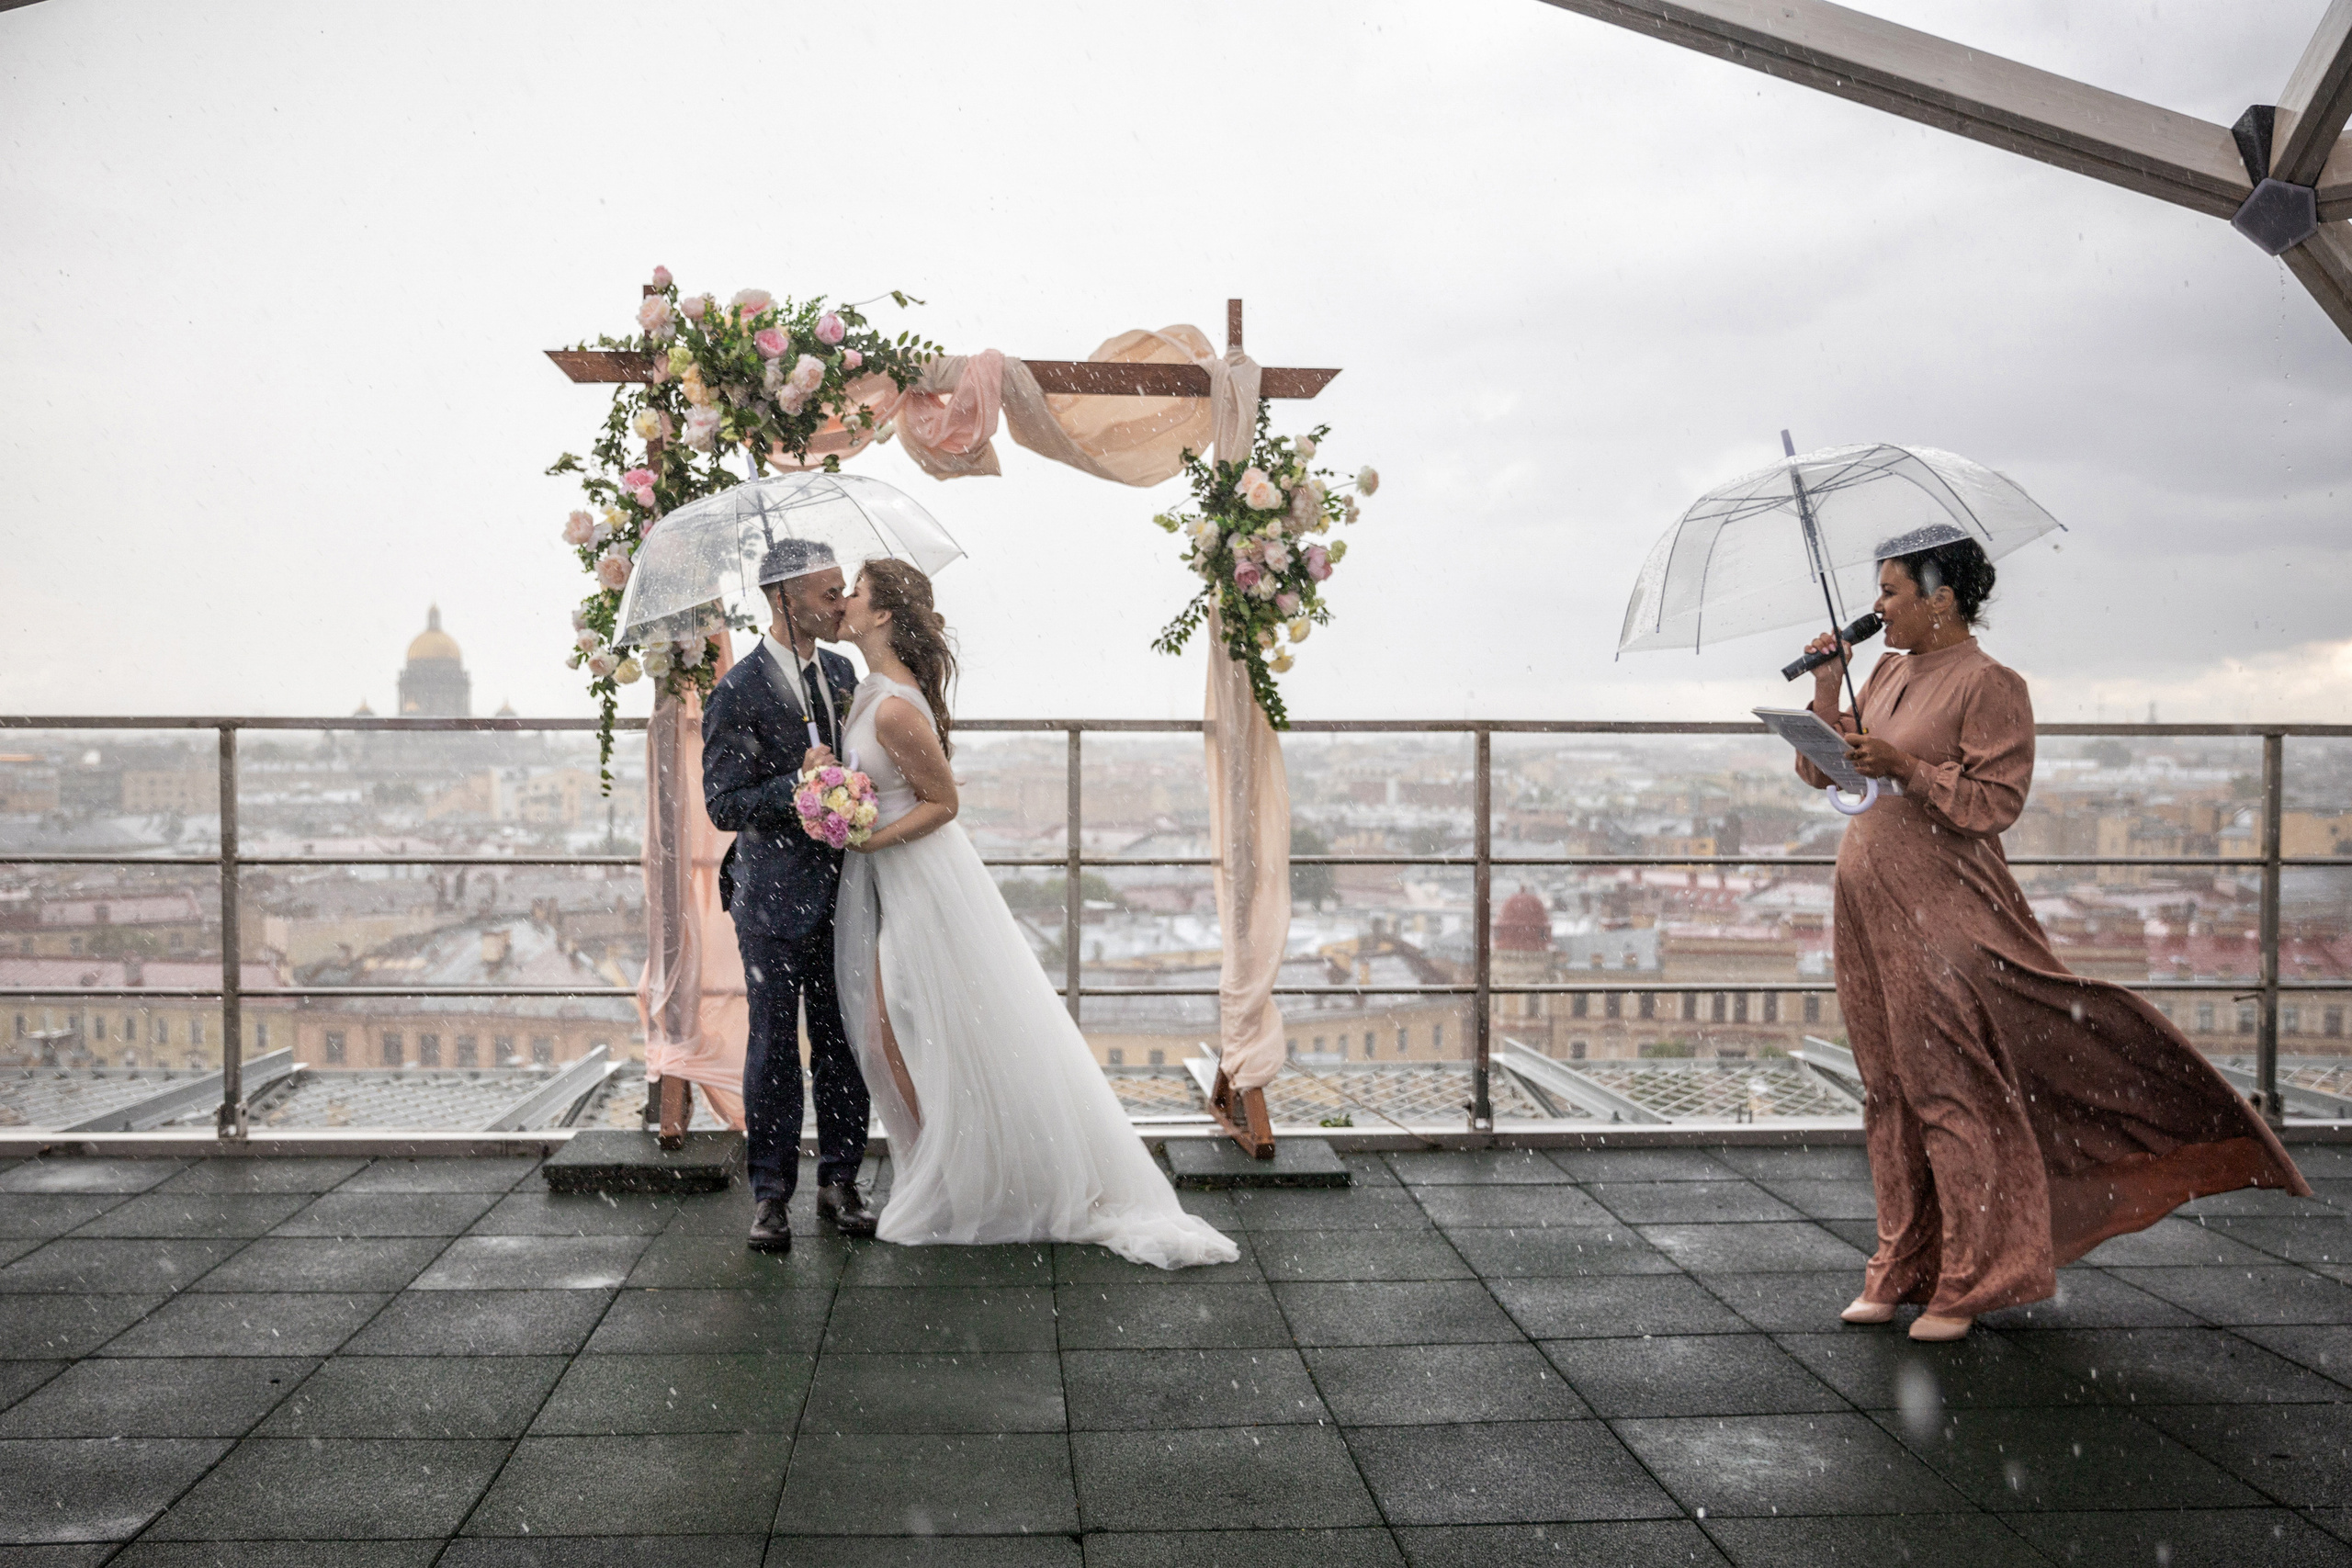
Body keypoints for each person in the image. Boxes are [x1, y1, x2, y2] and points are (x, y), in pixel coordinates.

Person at [1796, 532, 2306, 1341]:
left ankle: (1965, 1279)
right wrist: (1828, 695)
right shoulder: (1885, 671)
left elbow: (1994, 802)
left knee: (1944, 1088)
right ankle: (1897, 1263)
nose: (1877, 607)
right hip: (1864, 901)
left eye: (1891, 592)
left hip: (1944, 907)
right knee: (1885, 1088)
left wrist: (1905, 764)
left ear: (1942, 598)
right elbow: (1830, 773)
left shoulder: (1992, 684)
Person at [817, 559, 1238, 1269]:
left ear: (883, 614)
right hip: (895, 879)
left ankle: (964, 1182)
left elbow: (943, 802)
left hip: (922, 880)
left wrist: (866, 834)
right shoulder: (870, 691)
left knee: (911, 1029)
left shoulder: (892, 705)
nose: (844, 602)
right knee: (897, 1029)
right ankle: (954, 1174)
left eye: (854, 592)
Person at [701, 538, 879, 1253]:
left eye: (841, 589)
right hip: (770, 900)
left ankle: (841, 1181)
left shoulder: (842, 673)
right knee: (773, 1045)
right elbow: (723, 802)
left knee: (843, 1042)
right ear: (783, 600)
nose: (841, 603)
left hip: (846, 890)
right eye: (828, 592)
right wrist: (797, 787)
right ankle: (771, 1195)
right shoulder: (736, 690)